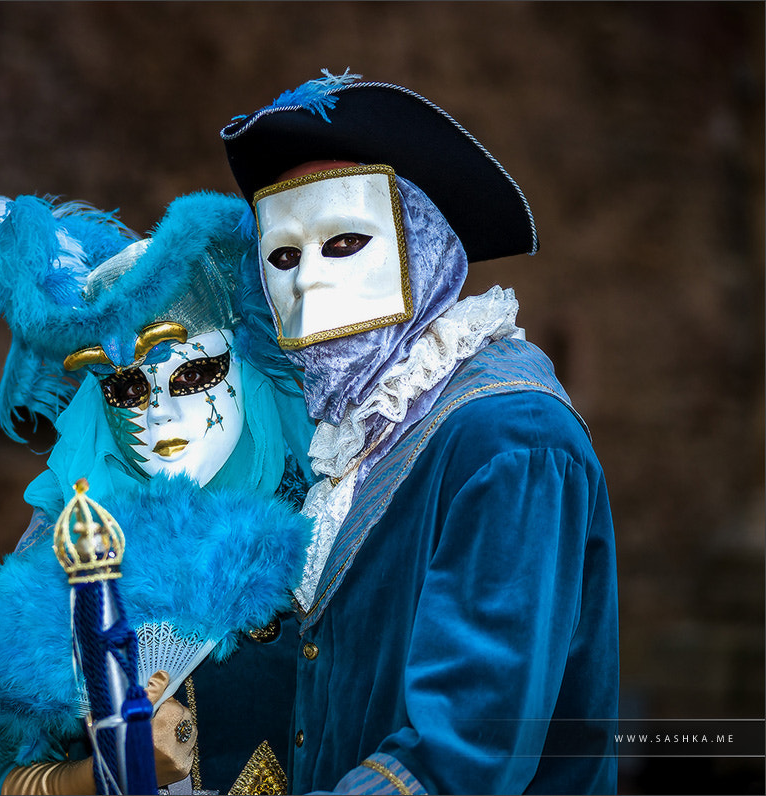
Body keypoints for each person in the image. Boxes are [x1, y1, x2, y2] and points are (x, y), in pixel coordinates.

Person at [218, 71, 619, 794]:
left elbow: (465, 751)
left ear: (423, 244)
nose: (307, 281)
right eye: (282, 256)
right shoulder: (356, 441)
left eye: (343, 241)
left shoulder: (511, 438)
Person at [0, 158, 317, 795]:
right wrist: (106, 772)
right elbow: (2, 779)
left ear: (250, 377)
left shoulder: (340, 511)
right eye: (125, 388)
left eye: (193, 376)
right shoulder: (68, 568)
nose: (159, 411)